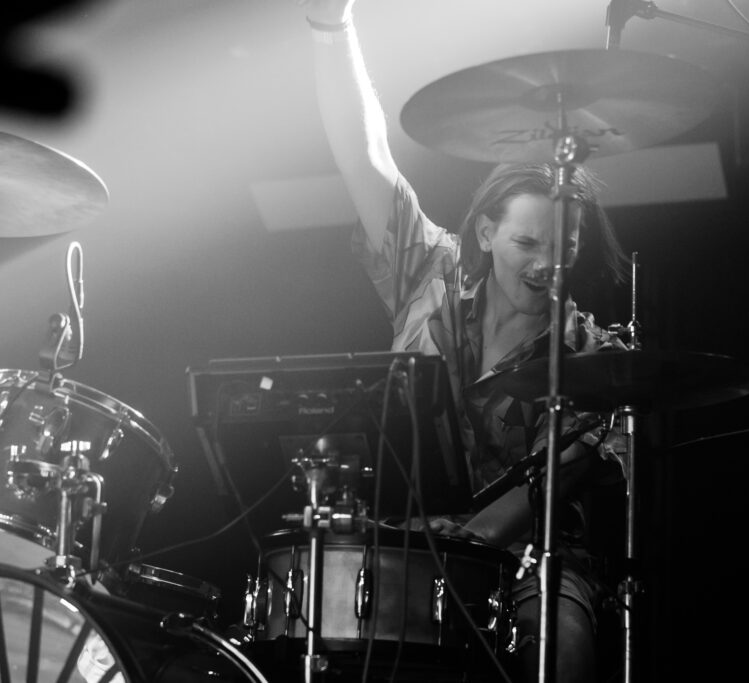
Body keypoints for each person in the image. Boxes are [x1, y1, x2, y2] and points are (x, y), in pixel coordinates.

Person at [297, 1, 630, 681]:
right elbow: (365, 156)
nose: (546, 265)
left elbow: (544, 489)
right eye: (526, 243)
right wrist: (331, 25)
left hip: (534, 561)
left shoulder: (589, 355)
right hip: (406, 538)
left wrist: (465, 544)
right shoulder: (429, 272)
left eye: (562, 248)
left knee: (560, 649)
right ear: (484, 233)